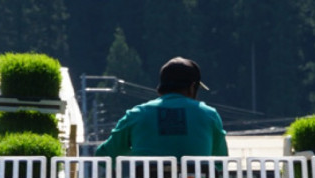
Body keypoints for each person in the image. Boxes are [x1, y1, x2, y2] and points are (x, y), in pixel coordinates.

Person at [95, 57, 229, 162]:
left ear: (161, 86)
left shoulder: (137, 114)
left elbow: (104, 155)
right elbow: (221, 160)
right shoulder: (209, 115)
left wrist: (136, 150)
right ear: (192, 87)